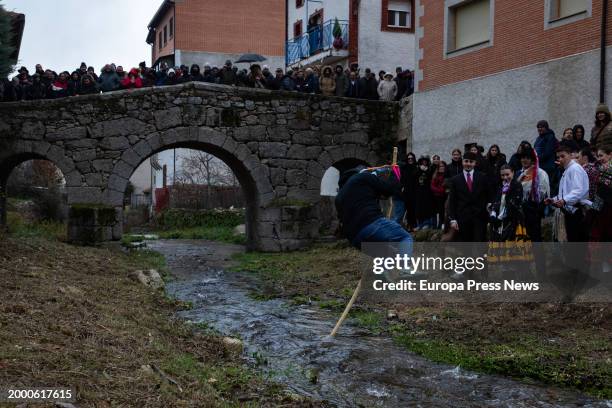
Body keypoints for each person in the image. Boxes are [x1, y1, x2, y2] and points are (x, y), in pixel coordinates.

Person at [335, 166, 412, 250]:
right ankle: (405, 263)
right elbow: (389, 189)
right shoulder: (361, 177)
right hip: (370, 223)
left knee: (389, 255)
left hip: (354, 238)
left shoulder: (339, 197)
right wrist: (394, 174)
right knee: (404, 238)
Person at [545, 145, 590, 242]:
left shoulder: (575, 169)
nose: (560, 159)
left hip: (576, 212)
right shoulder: (568, 169)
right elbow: (565, 193)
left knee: (576, 244)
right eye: (558, 157)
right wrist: (553, 199)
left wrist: (564, 200)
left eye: (563, 156)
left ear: (570, 155)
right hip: (570, 212)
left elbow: (578, 190)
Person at [448, 151, 492, 242]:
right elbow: (452, 201)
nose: (468, 164)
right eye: (466, 161)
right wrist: (453, 219)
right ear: (462, 162)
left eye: (471, 162)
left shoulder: (482, 177)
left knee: (479, 244)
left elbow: (489, 195)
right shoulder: (455, 180)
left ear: (475, 163)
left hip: (479, 217)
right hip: (463, 218)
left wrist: (489, 209)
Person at [517, 147, 550, 242]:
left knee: (535, 236)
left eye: (527, 158)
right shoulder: (520, 173)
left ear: (532, 159)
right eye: (523, 158)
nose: (524, 160)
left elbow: (543, 193)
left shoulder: (541, 173)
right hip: (522, 210)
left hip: (534, 209)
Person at [489, 165, 523, 242]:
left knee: (509, 241)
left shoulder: (516, 185)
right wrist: (493, 214)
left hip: (510, 219)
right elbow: (496, 200)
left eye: (507, 174)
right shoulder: (501, 185)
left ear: (513, 173)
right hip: (498, 218)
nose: (505, 177)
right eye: (502, 175)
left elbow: (512, 204)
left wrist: (499, 218)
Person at [414, 156, 435, 229]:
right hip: (419, 191)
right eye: (423, 161)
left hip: (427, 191)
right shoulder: (417, 169)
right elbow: (415, 177)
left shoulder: (430, 169)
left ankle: (427, 223)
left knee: (427, 207)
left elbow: (431, 178)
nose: (424, 162)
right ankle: (419, 224)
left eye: (425, 161)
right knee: (419, 208)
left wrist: (426, 171)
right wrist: (420, 169)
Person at [430, 161, 447, 229]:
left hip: (444, 196)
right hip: (436, 196)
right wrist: (440, 190)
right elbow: (432, 186)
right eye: (440, 166)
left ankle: (442, 225)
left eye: (443, 166)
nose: (441, 168)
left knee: (443, 211)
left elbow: (446, 186)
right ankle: (436, 226)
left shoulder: (446, 175)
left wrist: (442, 190)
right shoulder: (435, 175)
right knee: (437, 212)